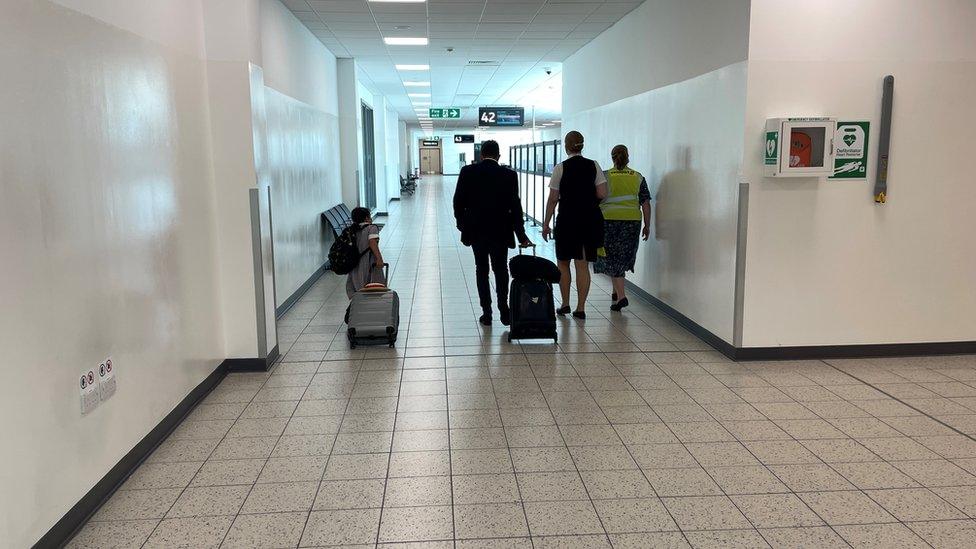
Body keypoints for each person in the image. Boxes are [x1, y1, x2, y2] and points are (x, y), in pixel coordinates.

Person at [453, 140, 533, 326]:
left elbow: (458, 202)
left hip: (476, 230)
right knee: (500, 269)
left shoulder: (468, 172)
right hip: (500, 230)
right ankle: (504, 310)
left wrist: (462, 225)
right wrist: (521, 234)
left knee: (481, 270)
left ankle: (486, 312)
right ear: (499, 155)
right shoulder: (509, 175)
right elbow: (515, 207)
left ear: (481, 155)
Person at [541, 131, 608, 320]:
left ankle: (565, 304)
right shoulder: (594, 165)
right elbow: (603, 193)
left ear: (566, 146)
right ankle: (580, 308)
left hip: (568, 220)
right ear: (582, 146)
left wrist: (546, 223)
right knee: (582, 264)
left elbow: (553, 198)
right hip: (589, 220)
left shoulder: (560, 168)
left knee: (563, 262)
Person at [594, 145, 651, 311]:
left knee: (610, 257)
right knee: (622, 256)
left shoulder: (604, 176)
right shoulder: (637, 177)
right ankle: (616, 292)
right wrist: (647, 226)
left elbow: (596, 199)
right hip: (631, 222)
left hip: (608, 221)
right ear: (628, 157)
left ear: (612, 158)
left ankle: (622, 297)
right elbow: (646, 203)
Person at [345, 207, 385, 299]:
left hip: (354, 264)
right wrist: (379, 259)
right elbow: (372, 243)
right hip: (368, 263)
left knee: (358, 287)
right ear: (367, 218)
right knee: (373, 287)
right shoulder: (372, 228)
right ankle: (371, 307)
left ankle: (359, 306)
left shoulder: (352, 230)